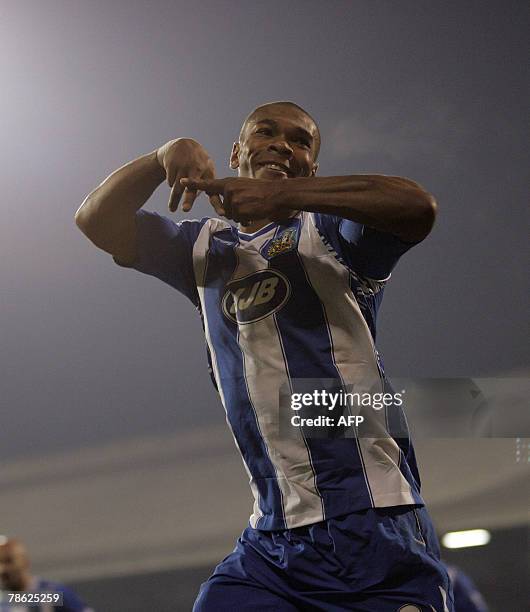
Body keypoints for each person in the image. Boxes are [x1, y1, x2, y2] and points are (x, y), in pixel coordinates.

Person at [75, 101, 453, 611]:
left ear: (311, 168)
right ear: (238, 151)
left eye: (300, 141)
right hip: (272, 541)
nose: (281, 144)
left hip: (374, 523)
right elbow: (96, 221)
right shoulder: (200, 248)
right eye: (266, 132)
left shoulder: (334, 233)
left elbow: (417, 207)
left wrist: (281, 194)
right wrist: (161, 156)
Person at [0, 538, 93, 612]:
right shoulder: (3, 599)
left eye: (9, 561)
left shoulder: (50, 593)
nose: (2, 569)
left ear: (24, 562)